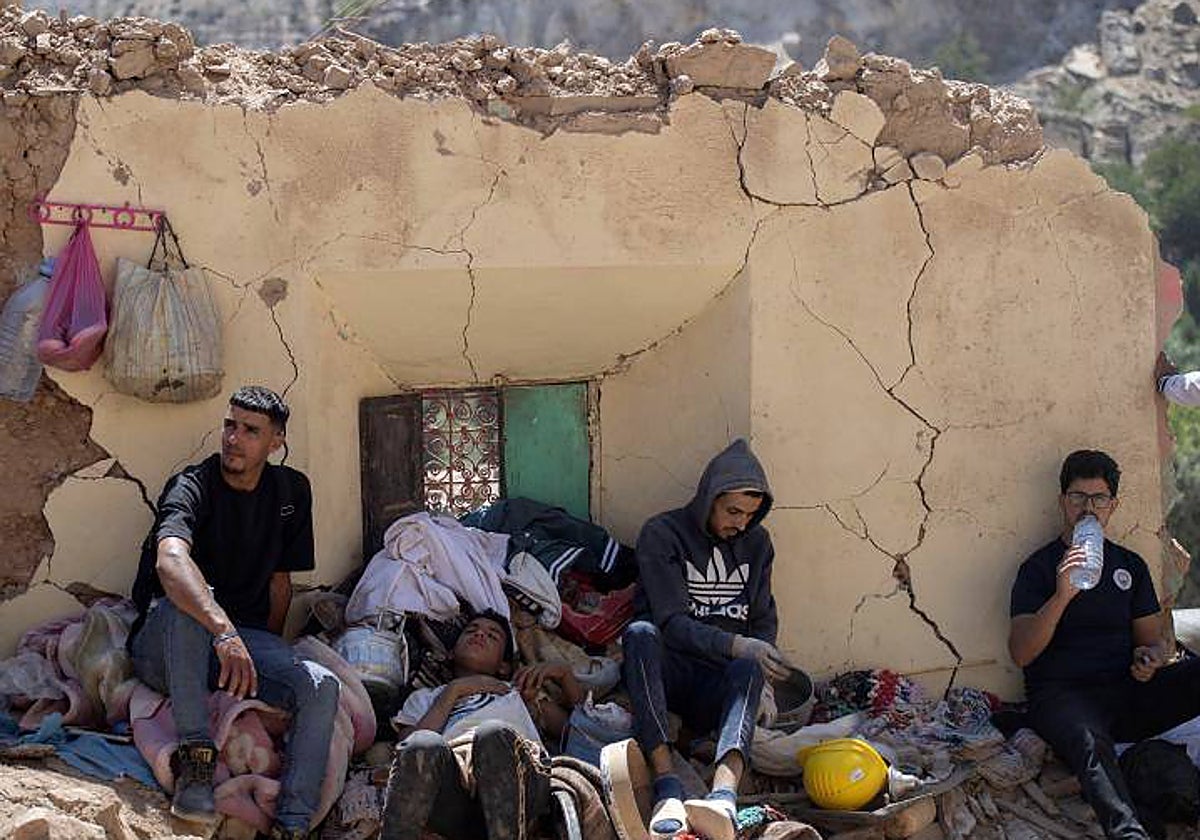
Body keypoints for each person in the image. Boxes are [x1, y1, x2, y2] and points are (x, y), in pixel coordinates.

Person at [128, 385, 339, 840]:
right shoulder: (193, 484)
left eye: (249, 430)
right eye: (229, 425)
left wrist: (269, 656)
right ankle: (196, 766)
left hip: (237, 639)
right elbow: (170, 561)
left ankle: (294, 821)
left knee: (320, 685)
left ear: (275, 441)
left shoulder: (291, 490)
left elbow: (280, 582)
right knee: (189, 600)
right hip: (163, 644)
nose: (233, 438)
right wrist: (223, 632)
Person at [1009, 449, 1200, 840]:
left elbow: (1151, 644)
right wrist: (1062, 595)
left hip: (1125, 691)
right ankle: (1129, 833)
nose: (1087, 509)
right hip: (1063, 695)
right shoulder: (1039, 568)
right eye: (1078, 497)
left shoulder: (1129, 566)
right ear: (1063, 502)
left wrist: (1149, 659)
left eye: (1098, 499)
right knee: (1089, 741)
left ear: (1113, 506)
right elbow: (1022, 652)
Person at [622, 438, 790, 840]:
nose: (741, 523)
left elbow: (763, 619)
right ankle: (667, 785)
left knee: (750, 667)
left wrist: (762, 671)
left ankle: (723, 796)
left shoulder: (757, 543)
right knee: (640, 634)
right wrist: (735, 644)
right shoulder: (663, 534)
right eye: (732, 511)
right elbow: (672, 623)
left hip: (720, 686)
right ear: (708, 499)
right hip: (671, 673)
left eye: (751, 514)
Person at [381, 609, 583, 840]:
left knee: (493, 734)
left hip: (518, 791)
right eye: (471, 630)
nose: (479, 635)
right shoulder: (426, 698)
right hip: (456, 803)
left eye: (492, 635)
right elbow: (407, 753)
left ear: (504, 667)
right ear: (450, 653)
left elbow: (582, 732)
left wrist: (565, 676)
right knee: (421, 742)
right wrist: (455, 690)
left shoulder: (517, 695)